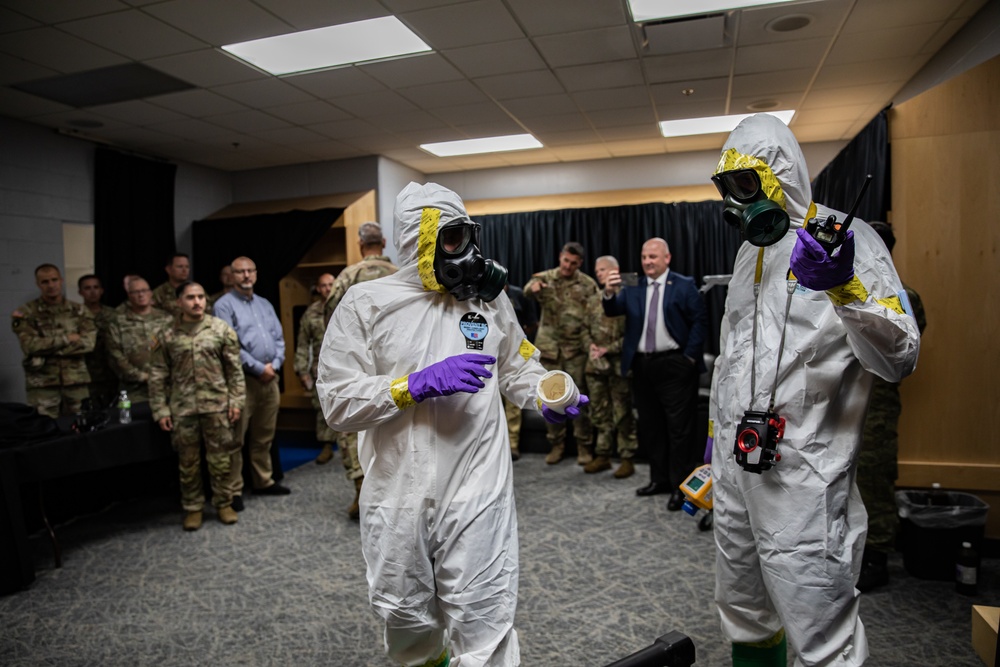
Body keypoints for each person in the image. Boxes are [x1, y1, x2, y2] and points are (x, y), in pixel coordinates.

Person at [317, 182, 587, 667]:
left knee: (485, 619)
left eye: (465, 236)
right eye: (449, 238)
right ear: (415, 239)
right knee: (408, 624)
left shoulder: (487, 298)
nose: (463, 251)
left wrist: (544, 394)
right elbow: (337, 401)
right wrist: (413, 385)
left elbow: (518, 366)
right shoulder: (365, 303)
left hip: (478, 486)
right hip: (398, 489)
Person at [707, 113, 920, 666]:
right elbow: (733, 358)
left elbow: (900, 356)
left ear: (783, 175)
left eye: (747, 184)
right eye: (728, 187)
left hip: (805, 472)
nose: (737, 202)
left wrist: (844, 288)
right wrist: (714, 442)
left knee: (819, 629)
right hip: (738, 464)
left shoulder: (851, 241)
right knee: (744, 610)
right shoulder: (748, 253)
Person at [602, 238, 707, 508]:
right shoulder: (633, 284)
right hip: (642, 365)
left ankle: (679, 487)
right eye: (644, 256)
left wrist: (690, 360)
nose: (648, 261)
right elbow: (613, 310)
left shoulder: (684, 284)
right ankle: (658, 480)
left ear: (667, 259)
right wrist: (609, 292)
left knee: (678, 430)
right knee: (652, 427)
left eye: (653, 257)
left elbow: (699, 321)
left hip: (675, 365)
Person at [856, 221, 927, 593]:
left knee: (873, 476)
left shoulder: (901, 295)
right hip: (844, 398)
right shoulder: (843, 289)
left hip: (878, 403)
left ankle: (878, 554)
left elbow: (905, 345)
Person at [149, 281, 245, 531]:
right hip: (183, 409)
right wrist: (160, 409)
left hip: (217, 406)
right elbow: (157, 374)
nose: (197, 302)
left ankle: (224, 503)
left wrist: (236, 401)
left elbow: (234, 370)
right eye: (190, 297)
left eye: (201, 297)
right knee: (188, 464)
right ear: (179, 301)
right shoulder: (165, 333)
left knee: (221, 460)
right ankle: (193, 508)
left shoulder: (221, 329)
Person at [322, 221, 398, 519]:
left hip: (358, 365)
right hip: (397, 366)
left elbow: (332, 323)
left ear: (360, 244)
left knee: (354, 425)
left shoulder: (348, 277)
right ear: (385, 242)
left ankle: (360, 490)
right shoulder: (401, 276)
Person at [213, 256, 290, 510]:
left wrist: (275, 365)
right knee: (236, 438)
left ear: (256, 274)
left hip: (270, 378)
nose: (246, 276)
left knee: (264, 435)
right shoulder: (223, 306)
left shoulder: (265, 304)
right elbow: (229, 345)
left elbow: (279, 339)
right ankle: (234, 490)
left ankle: (263, 481)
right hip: (243, 380)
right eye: (240, 272)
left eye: (250, 271)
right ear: (231, 276)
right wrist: (258, 368)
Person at [524, 242, 598, 465]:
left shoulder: (587, 284)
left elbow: (595, 312)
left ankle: (584, 447)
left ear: (580, 264)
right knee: (550, 399)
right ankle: (556, 445)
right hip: (550, 349)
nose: (567, 266)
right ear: (560, 257)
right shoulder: (545, 277)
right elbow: (527, 289)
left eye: (573, 263)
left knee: (578, 398)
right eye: (565, 261)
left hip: (575, 349)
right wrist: (533, 288)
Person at [12, 264, 96, 418]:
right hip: (42, 383)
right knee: (44, 428)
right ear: (38, 284)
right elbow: (30, 346)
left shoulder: (80, 311)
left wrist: (48, 347)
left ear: (61, 280)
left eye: (54, 280)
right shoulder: (25, 313)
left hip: (76, 381)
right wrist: (66, 339)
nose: (51, 285)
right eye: (45, 282)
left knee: (83, 425)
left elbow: (88, 344)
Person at [583, 255, 638, 479]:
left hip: (619, 365)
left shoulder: (630, 295)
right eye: (597, 271)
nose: (599, 274)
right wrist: (592, 347)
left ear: (615, 270)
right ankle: (602, 455)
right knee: (598, 412)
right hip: (595, 366)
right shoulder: (593, 299)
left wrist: (609, 348)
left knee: (622, 413)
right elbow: (584, 328)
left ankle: (627, 458)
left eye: (603, 269)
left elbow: (635, 333)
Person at [293, 273, 339, 466]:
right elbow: (303, 344)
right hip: (321, 369)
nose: (327, 289)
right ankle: (326, 446)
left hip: (345, 365)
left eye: (331, 284)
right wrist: (302, 371)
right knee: (322, 409)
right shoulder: (311, 313)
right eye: (323, 285)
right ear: (318, 288)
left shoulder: (345, 307)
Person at [105, 276, 173, 403]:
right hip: (133, 390)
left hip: (165, 387)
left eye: (144, 290)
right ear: (129, 295)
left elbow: (176, 349)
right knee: (130, 421)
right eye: (136, 292)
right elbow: (115, 356)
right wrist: (142, 377)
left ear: (150, 293)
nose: (141, 295)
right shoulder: (118, 322)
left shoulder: (166, 319)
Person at [501, 283, 539, 461]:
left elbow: (532, 322)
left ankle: (513, 444)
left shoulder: (519, 295)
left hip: (517, 352)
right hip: (492, 357)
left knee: (513, 404)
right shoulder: (477, 294)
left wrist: (519, 338)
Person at [77, 274, 117, 408]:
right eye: (87, 288)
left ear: (102, 290)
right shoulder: (75, 315)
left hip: (112, 371)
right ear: (80, 292)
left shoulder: (113, 314)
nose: (92, 292)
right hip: (87, 372)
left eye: (96, 287)